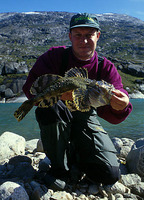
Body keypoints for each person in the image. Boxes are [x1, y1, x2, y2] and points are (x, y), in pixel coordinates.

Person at [23, 13, 133, 190]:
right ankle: (60, 169)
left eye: (89, 35)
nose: (84, 41)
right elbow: (30, 89)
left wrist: (122, 105)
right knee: (51, 109)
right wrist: (59, 95)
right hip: (57, 113)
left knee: (109, 173)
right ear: (70, 37)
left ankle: (76, 154)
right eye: (78, 35)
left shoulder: (105, 67)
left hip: (86, 117)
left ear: (98, 36)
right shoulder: (53, 56)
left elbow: (114, 115)